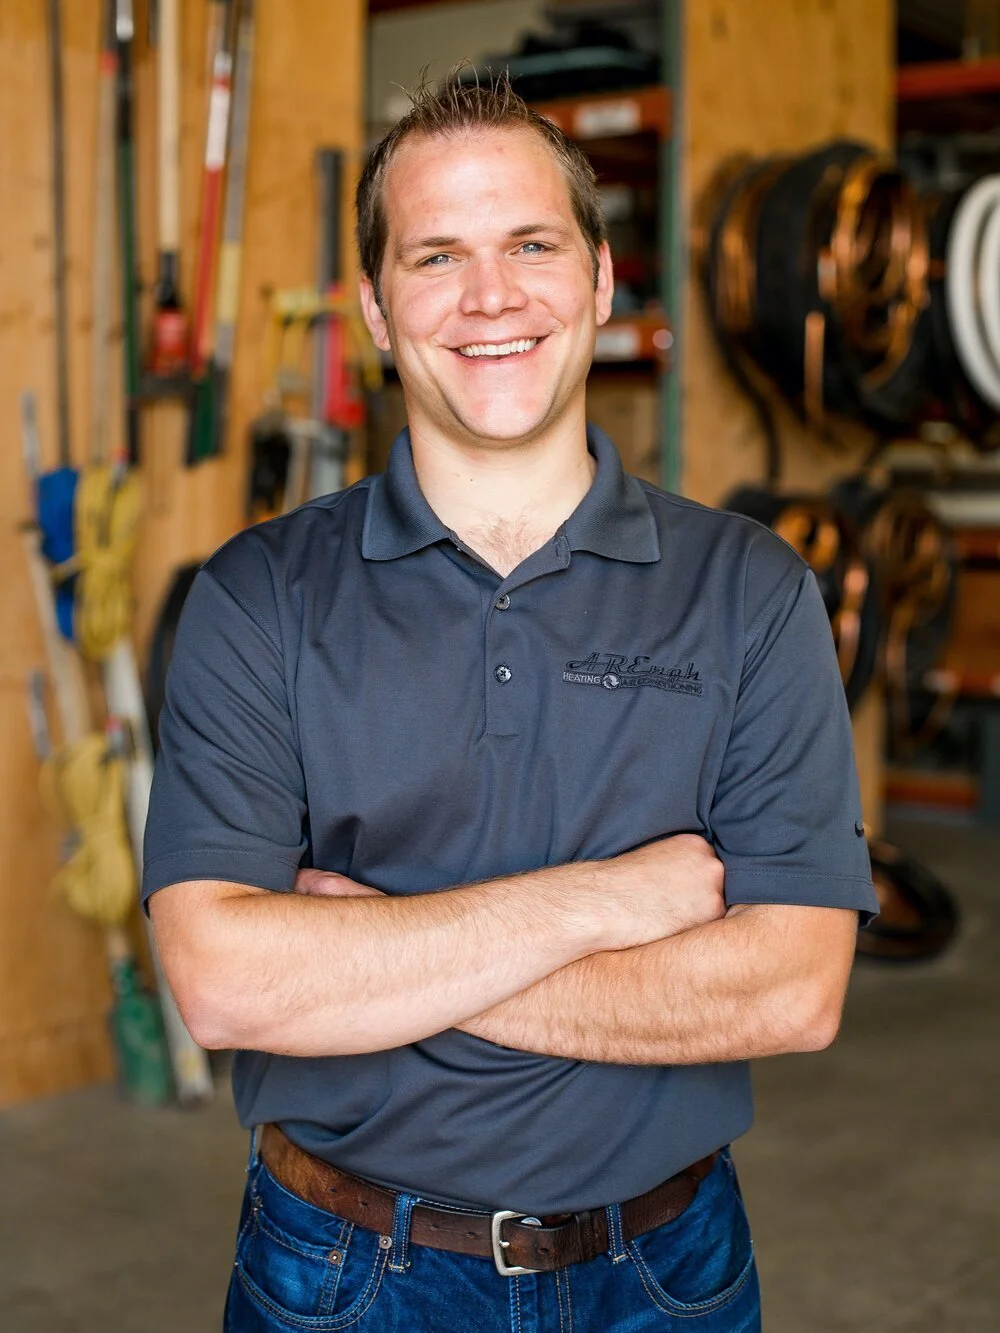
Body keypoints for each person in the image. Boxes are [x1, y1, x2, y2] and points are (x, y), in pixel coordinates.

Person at [145, 72, 878, 1333]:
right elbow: (223, 984)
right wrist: (613, 902)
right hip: (340, 1269)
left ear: (598, 279)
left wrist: (376, 957)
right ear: (376, 307)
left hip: (664, 1274)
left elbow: (790, 989)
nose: (492, 297)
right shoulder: (257, 596)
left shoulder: (749, 589)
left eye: (531, 244)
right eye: (438, 256)